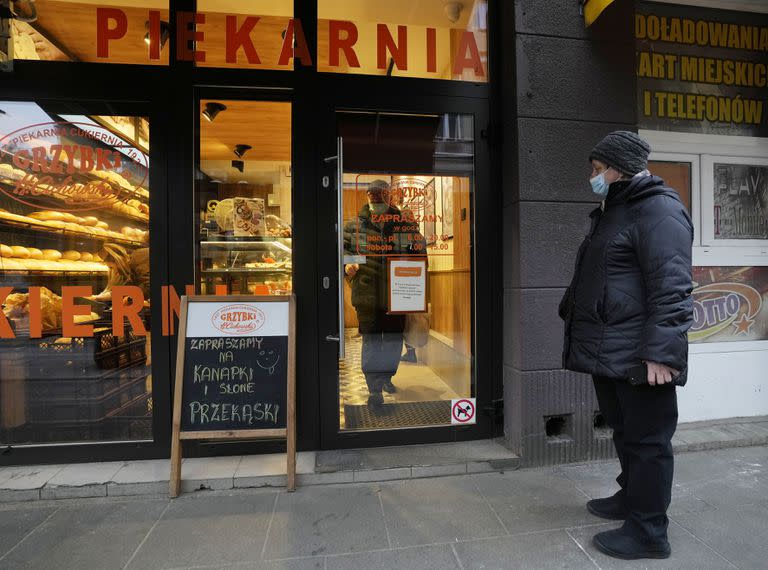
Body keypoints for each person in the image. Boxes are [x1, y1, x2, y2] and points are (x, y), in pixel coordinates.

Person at [559, 131, 693, 560]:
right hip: (612, 348)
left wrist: (661, 353)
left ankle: (649, 531)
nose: (592, 177)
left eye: (598, 170)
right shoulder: (615, 210)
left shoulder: (659, 211)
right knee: (625, 431)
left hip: (641, 354)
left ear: (619, 169)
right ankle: (631, 497)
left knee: (649, 441)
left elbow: (672, 288)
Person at [344, 179, 424, 408]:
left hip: (398, 293)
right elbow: (346, 251)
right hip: (366, 292)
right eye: (372, 195)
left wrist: (413, 250)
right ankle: (374, 389)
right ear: (367, 197)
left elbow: (419, 248)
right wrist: (349, 266)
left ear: (389, 197)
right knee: (371, 340)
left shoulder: (403, 223)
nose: (376, 198)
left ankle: (386, 377)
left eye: (381, 195)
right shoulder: (354, 225)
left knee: (392, 341)